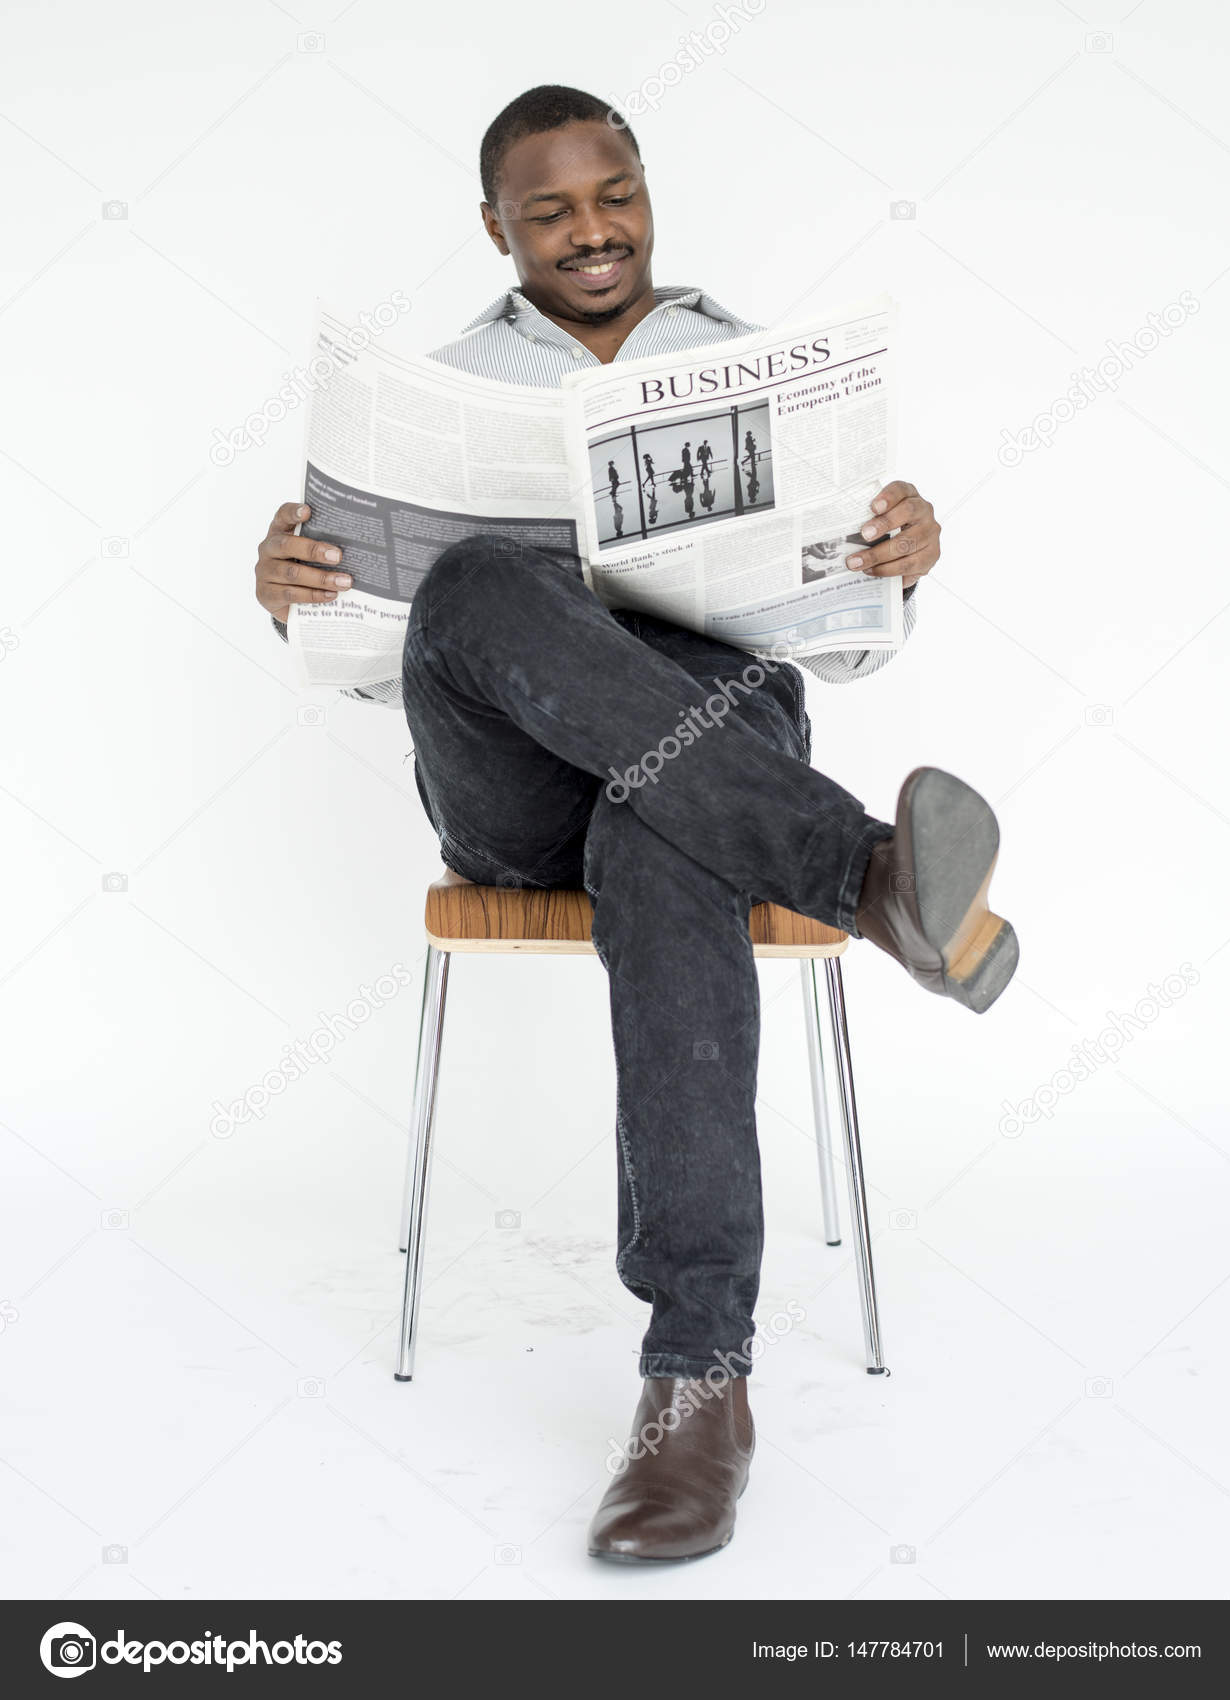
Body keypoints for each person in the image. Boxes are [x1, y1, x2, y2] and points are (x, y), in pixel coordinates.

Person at [253, 84, 1016, 1566]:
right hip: (517, 796)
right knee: (477, 583)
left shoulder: (750, 364)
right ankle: (866, 876)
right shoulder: (446, 383)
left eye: (611, 196)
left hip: (712, 742)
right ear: (496, 228)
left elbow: (844, 647)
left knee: (665, 828)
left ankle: (695, 1386)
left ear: (644, 188)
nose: (590, 231)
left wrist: (900, 565)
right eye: (549, 212)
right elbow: (372, 671)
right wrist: (294, 593)